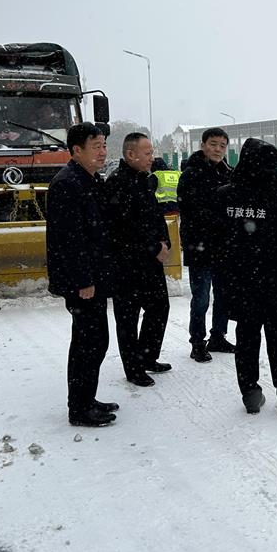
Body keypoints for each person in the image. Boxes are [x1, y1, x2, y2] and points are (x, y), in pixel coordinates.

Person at [214, 138, 277, 416]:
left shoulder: (226, 195)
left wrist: (228, 270)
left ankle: (250, 393)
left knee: (246, 337)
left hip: (241, 280)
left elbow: (218, 239)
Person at [46, 122, 118, 427]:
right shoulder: (68, 184)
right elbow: (70, 239)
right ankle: (79, 408)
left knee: (94, 340)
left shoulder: (89, 179)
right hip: (82, 281)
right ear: (76, 151)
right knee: (89, 342)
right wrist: (83, 280)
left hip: (94, 276)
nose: (102, 152)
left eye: (103, 146)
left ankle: (87, 398)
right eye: (96, 147)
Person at [104, 132, 172, 388]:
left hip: (151, 262)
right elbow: (124, 227)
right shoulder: (117, 184)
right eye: (148, 153)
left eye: (152, 153)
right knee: (128, 317)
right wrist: (153, 247)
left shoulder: (145, 180)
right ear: (130, 154)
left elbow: (156, 217)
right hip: (127, 264)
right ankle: (133, 368)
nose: (151, 158)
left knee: (159, 308)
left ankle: (147, 356)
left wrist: (165, 243)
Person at [177, 127, 236, 362]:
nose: (218, 149)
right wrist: (222, 217)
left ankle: (218, 336)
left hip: (224, 247)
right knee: (201, 297)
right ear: (203, 145)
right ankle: (197, 342)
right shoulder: (191, 174)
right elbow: (193, 210)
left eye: (222, 145)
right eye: (213, 144)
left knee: (223, 295)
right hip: (200, 245)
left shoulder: (229, 173)